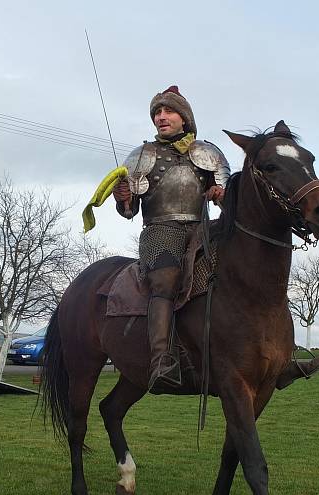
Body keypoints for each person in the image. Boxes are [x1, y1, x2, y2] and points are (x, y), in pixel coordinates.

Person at [110, 85, 230, 389]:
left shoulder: (209, 152)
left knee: (245, 265)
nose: (161, 117)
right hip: (161, 230)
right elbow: (129, 211)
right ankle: (161, 361)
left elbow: (230, 199)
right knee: (165, 280)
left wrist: (220, 195)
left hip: (203, 229)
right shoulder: (141, 156)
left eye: (168, 111)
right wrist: (123, 197)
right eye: (157, 113)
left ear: (184, 117)